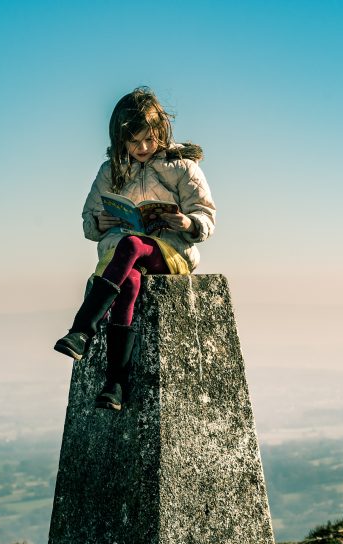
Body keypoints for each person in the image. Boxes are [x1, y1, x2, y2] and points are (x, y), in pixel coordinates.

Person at [54, 87, 216, 411]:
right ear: (120, 139)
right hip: (124, 257)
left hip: (171, 252)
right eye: (133, 141)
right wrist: (100, 222)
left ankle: (82, 330)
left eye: (148, 139)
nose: (142, 147)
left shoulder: (181, 167)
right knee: (128, 281)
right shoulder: (109, 171)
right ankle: (114, 386)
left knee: (132, 244)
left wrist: (186, 222)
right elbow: (88, 221)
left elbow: (206, 216)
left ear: (160, 132)